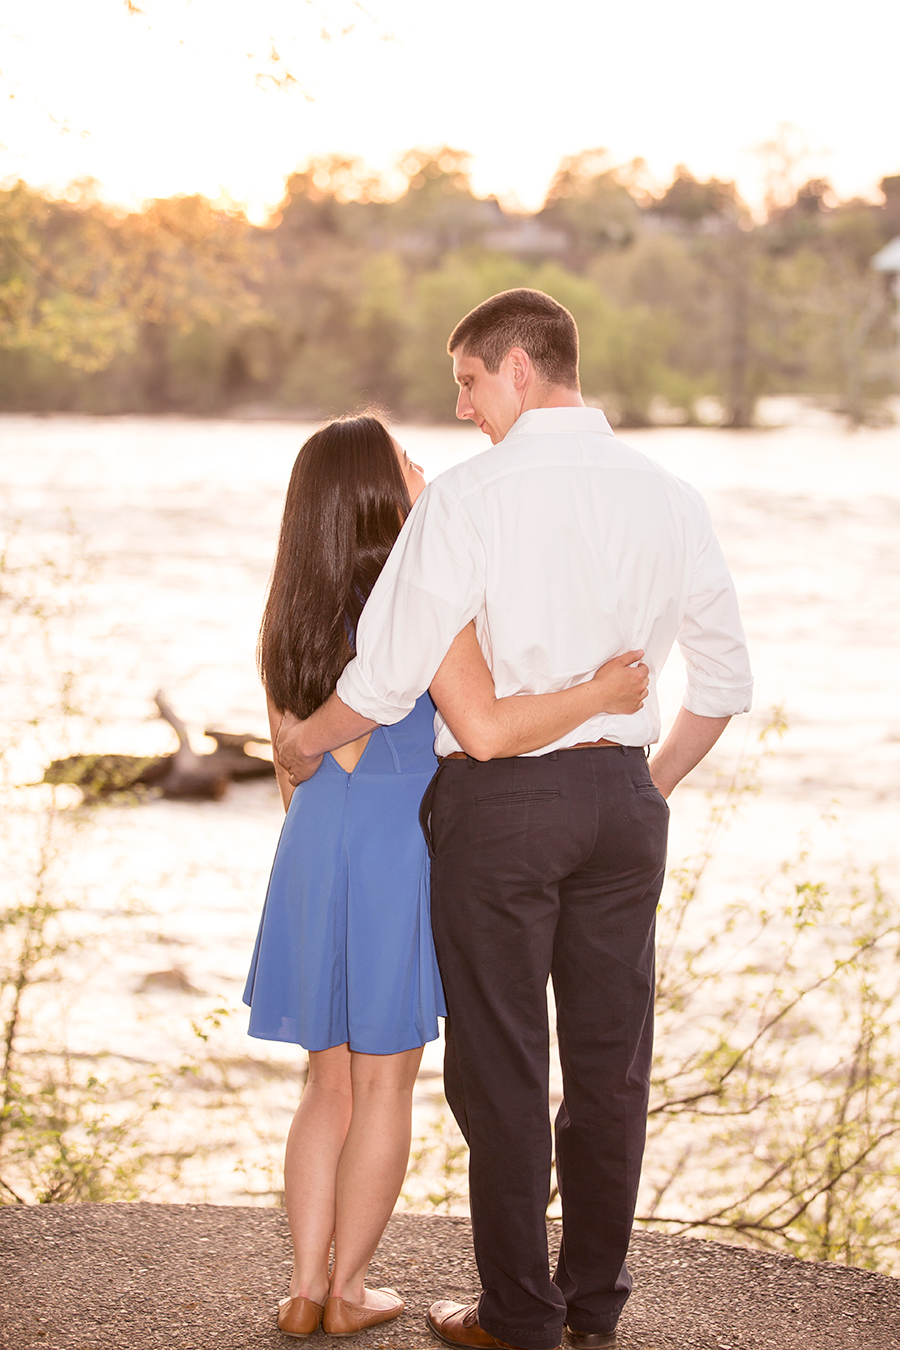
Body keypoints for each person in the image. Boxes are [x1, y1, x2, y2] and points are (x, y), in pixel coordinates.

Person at [274, 294, 753, 1350]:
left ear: (520, 370)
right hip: (623, 797)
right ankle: (593, 1306)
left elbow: (387, 676)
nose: (464, 407)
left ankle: (518, 1315)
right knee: (610, 1064)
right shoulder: (672, 496)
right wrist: (644, 784)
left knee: (501, 1066)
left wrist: (306, 740)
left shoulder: (472, 499)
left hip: (503, 807)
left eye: (470, 382)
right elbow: (722, 682)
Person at [244, 412, 650, 1340]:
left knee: (326, 1085)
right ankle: (350, 1295)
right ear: (380, 494)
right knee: (385, 1086)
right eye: (404, 462)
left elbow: (288, 758)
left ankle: (306, 1289)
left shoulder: (284, 615)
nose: (423, 466)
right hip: (398, 847)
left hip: (312, 847)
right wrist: (597, 692)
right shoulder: (421, 597)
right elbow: (487, 722)